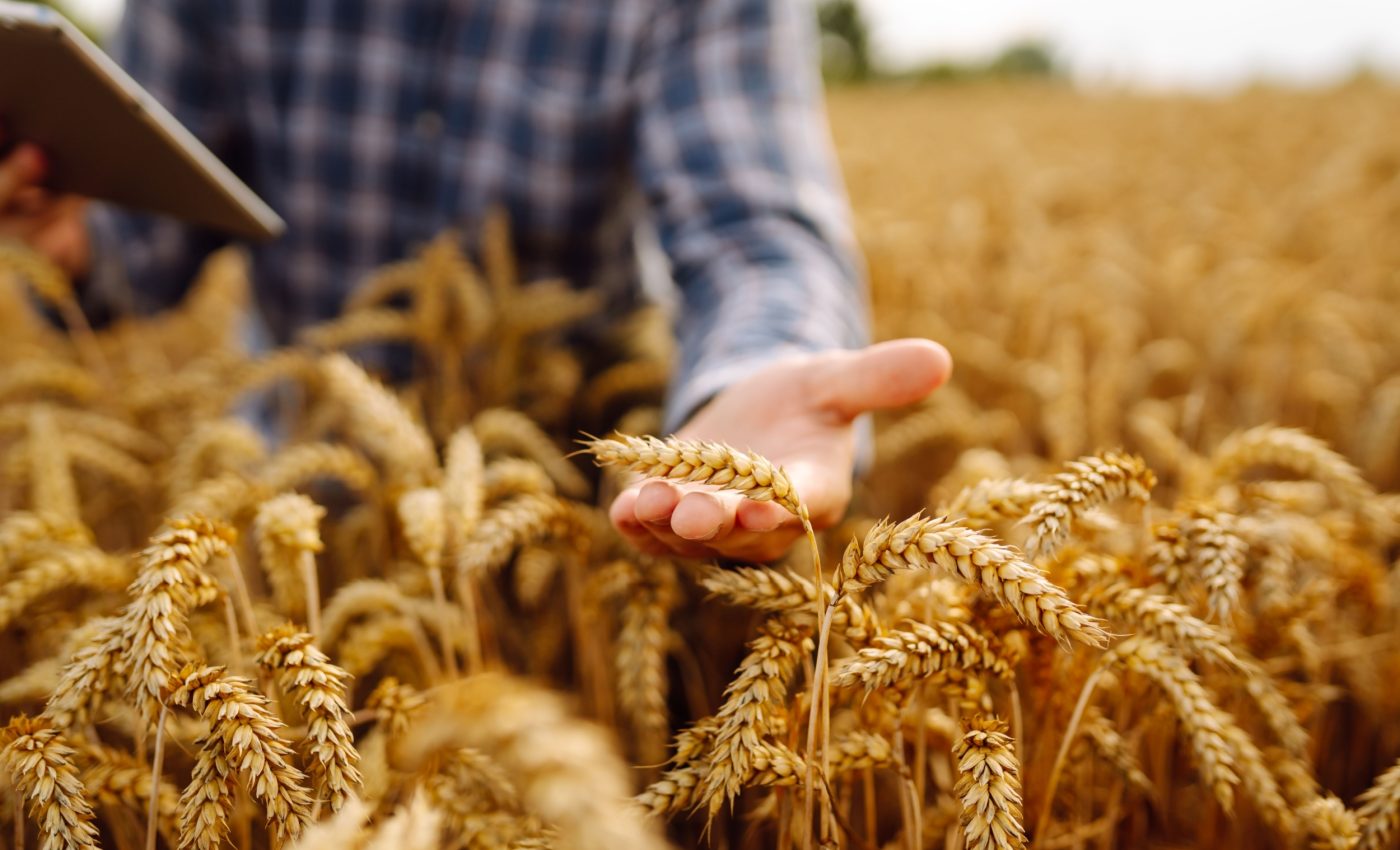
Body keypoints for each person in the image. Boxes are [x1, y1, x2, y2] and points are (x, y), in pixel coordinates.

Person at [0, 0, 950, 562]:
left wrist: (756, 376)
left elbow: (752, 225)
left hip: (586, 509)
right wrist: (59, 225)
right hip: (298, 511)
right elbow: (142, 245)